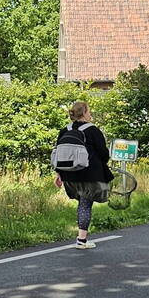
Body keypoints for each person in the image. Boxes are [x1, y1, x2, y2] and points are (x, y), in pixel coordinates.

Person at [55, 101, 114, 249]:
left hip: (69, 175)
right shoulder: (93, 130)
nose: (90, 114)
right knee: (85, 204)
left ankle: (82, 238)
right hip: (89, 174)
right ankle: (81, 240)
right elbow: (103, 153)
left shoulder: (65, 130)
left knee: (82, 203)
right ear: (84, 113)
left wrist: (58, 174)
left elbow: (59, 153)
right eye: (89, 111)